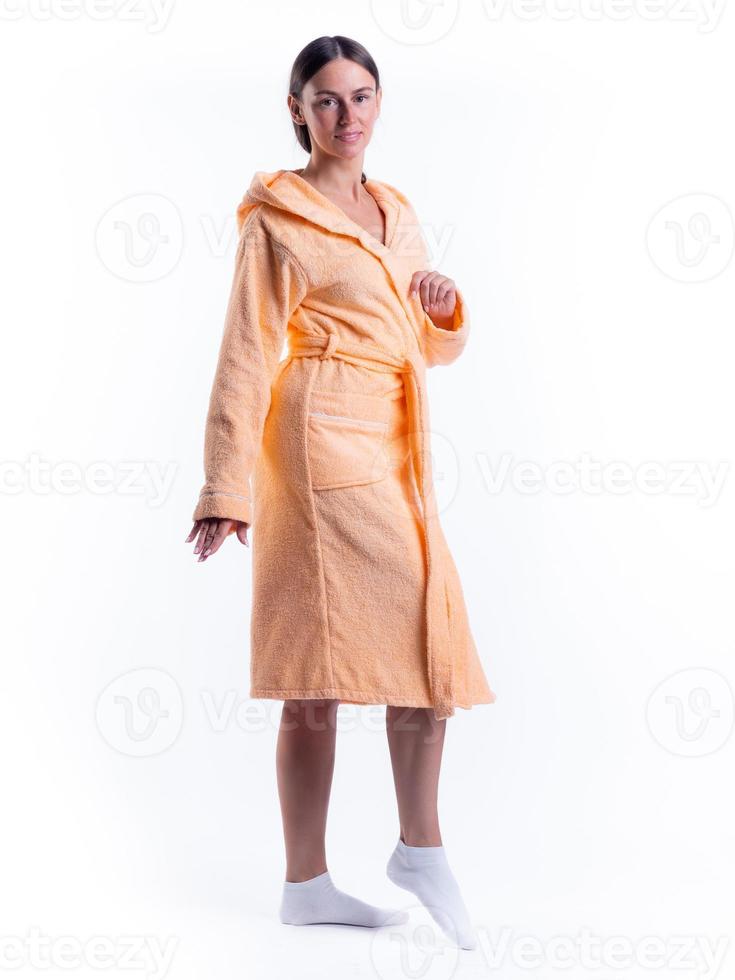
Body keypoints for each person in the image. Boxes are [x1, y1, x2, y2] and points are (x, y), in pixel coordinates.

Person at [186, 35, 497, 949]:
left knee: (427, 636)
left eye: (361, 97)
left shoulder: (393, 210)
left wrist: (440, 311)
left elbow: (420, 340)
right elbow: (246, 350)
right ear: (297, 112)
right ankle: (342, 871)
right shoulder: (276, 220)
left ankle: (383, 859)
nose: (347, 116)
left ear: (378, 103)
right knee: (315, 677)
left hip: (393, 443)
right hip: (317, 448)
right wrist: (224, 486)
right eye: (326, 101)